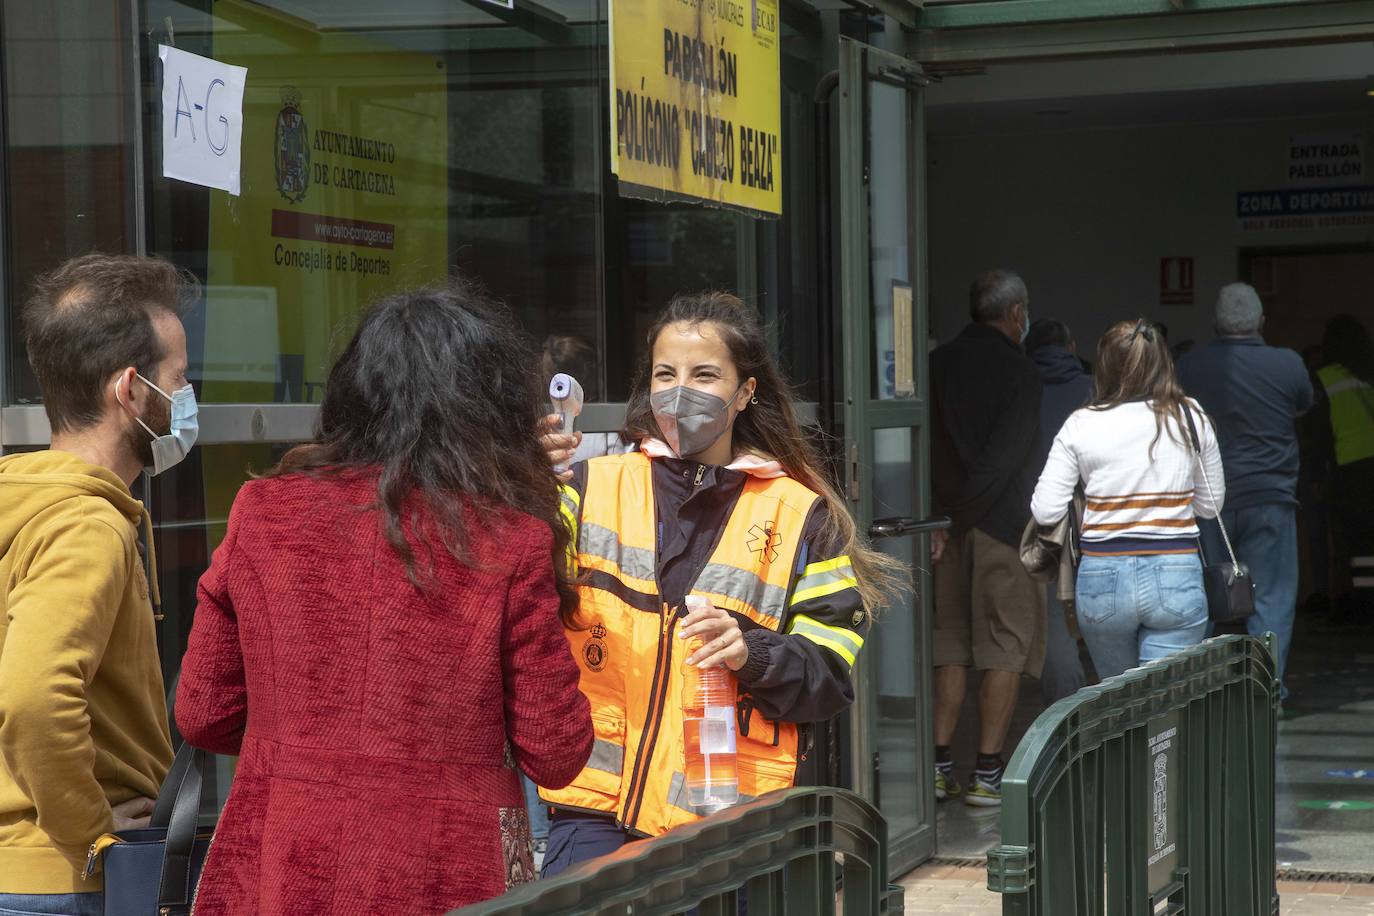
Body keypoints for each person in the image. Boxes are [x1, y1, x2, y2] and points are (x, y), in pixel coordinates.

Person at [174, 284, 594, 914]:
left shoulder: (263, 514)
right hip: (456, 867)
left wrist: (302, 744)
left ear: (353, 396)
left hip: (284, 858)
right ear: (492, 409)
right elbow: (556, 749)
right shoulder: (511, 539)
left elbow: (205, 712)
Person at [538, 291, 905, 876]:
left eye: (704, 374)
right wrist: (517, 480)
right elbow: (505, 587)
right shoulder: (586, 486)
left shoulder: (801, 514)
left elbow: (827, 677)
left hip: (725, 819)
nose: (680, 390)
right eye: (666, 373)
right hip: (592, 809)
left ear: (744, 393)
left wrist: (751, 652)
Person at [0, 255, 188, 914]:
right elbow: (31, 695)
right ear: (130, 391)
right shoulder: (86, 524)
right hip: (64, 882)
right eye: (180, 380)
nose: (186, 400)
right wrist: (93, 838)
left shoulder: (26, 504)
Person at [1032, 319, 1222, 681]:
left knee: (1120, 703)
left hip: (1103, 576)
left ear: (1103, 366)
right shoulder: (1189, 416)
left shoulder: (1081, 423)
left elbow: (1045, 510)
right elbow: (1210, 507)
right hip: (1175, 572)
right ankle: (1162, 739)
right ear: (1162, 362)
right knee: (1162, 704)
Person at [929, 269, 1046, 808]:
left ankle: (937, 765)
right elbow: (1003, 461)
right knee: (1005, 646)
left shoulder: (937, 363)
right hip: (1000, 528)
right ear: (1017, 315)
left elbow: (927, 449)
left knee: (949, 644)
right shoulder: (1021, 372)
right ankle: (987, 775)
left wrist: (945, 518)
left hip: (944, 532)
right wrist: (966, 515)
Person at [1177, 283, 1312, 696]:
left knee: (1201, 597)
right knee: (1270, 598)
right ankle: (1264, 688)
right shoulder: (1288, 364)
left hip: (1208, 504)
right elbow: (1303, 405)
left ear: (1215, 324)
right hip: (1270, 499)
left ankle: (1196, 691)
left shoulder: (1188, 367)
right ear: (1262, 323)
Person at [1025, 319, 1092, 704]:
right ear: (1072, 346)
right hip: (1095, 520)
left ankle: (1067, 709)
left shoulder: (1021, 389)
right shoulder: (1094, 391)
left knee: (1056, 621)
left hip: (1042, 518)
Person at [1311, 314, 1374, 615]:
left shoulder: (1325, 378)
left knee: (1357, 538)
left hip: (1350, 467)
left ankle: (1362, 601)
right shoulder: (1368, 376)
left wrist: (1317, 473)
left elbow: (1319, 431)